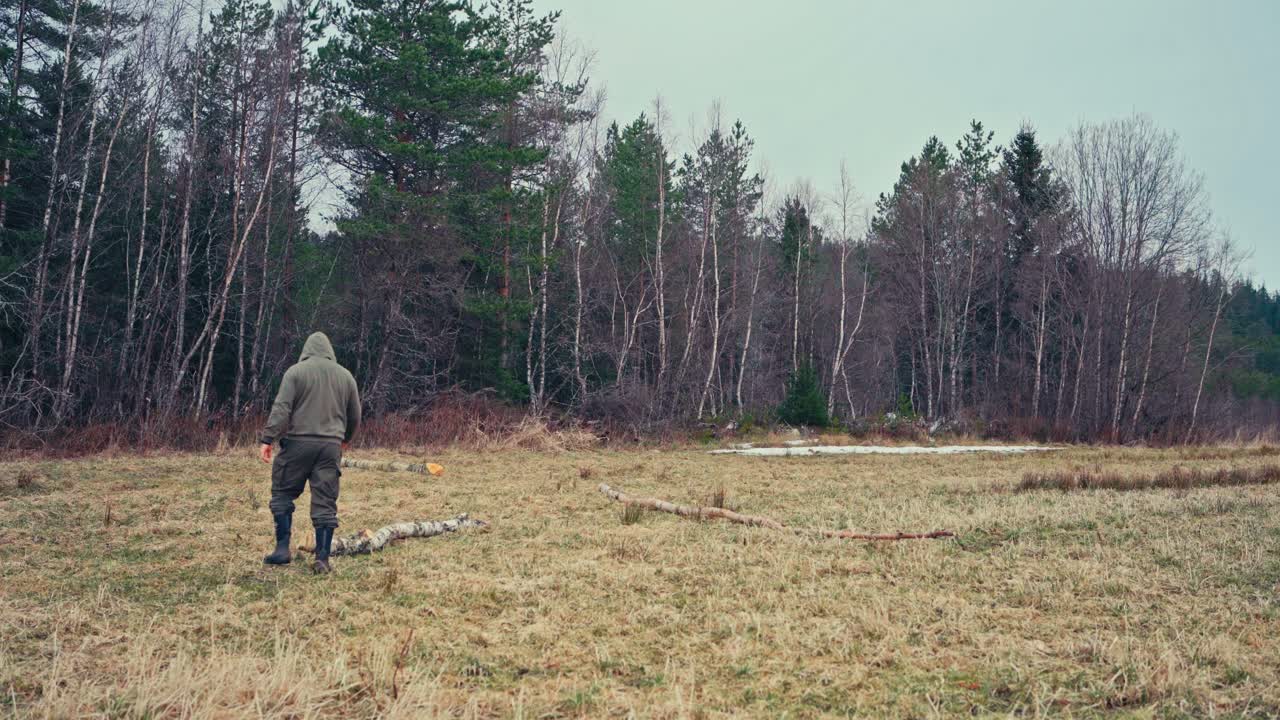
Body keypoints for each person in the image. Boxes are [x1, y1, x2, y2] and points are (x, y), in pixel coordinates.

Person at [259, 332, 361, 574]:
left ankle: (282, 550)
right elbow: (355, 413)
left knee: (282, 493)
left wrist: (268, 438)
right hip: (329, 447)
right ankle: (322, 560)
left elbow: (282, 408)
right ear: (329, 351)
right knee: (325, 501)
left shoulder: (295, 372)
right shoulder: (346, 376)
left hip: (297, 443)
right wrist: (344, 439)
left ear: (306, 350)